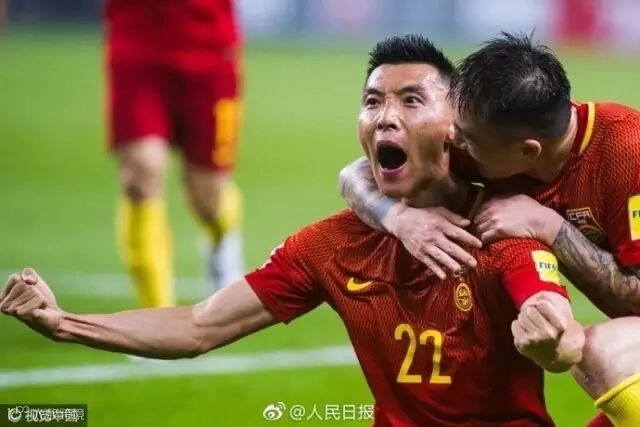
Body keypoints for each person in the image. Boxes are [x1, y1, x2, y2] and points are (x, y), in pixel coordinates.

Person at [0, 35, 583, 426]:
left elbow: (555, 324)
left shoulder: (500, 227)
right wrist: (65, 323)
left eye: (412, 100)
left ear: (455, 124)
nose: (386, 116)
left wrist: (553, 337)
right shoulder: (331, 246)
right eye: (373, 101)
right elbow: (198, 326)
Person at [339, 33, 640, 427]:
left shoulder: (626, 156)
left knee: (602, 352)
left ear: (528, 151)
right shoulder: (490, 136)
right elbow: (354, 174)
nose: (454, 140)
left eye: (467, 139)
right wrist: (400, 219)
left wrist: (550, 227)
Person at [106, 0, 244, 307]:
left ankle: (222, 247)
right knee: (140, 174)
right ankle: (156, 314)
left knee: (208, 196)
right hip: (137, 44)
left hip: (209, 48)